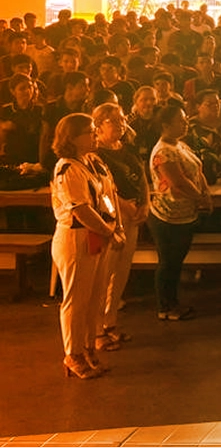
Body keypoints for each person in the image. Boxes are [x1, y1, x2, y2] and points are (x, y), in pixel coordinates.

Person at [50, 113, 123, 379]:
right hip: (77, 237)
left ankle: (89, 347)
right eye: (90, 131)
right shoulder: (67, 168)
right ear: (72, 137)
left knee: (94, 298)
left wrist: (118, 226)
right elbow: (81, 209)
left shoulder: (94, 161)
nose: (95, 135)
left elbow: (109, 194)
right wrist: (108, 231)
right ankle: (73, 353)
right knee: (76, 299)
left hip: (100, 234)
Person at [91, 102, 149, 351]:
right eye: (113, 121)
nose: (120, 125)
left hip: (134, 213)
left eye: (122, 119)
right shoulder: (96, 154)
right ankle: (96, 329)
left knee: (122, 271)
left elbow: (142, 174)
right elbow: (104, 187)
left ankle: (111, 321)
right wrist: (123, 206)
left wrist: (146, 203)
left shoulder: (128, 148)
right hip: (111, 216)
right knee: (104, 273)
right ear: (98, 125)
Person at [148, 101, 211, 320]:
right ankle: (165, 306)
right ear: (165, 125)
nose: (185, 124)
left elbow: (197, 170)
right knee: (168, 262)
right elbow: (178, 183)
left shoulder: (179, 145)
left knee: (176, 262)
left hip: (185, 213)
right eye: (180, 121)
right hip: (168, 215)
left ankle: (173, 303)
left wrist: (205, 194)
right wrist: (200, 198)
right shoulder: (163, 152)